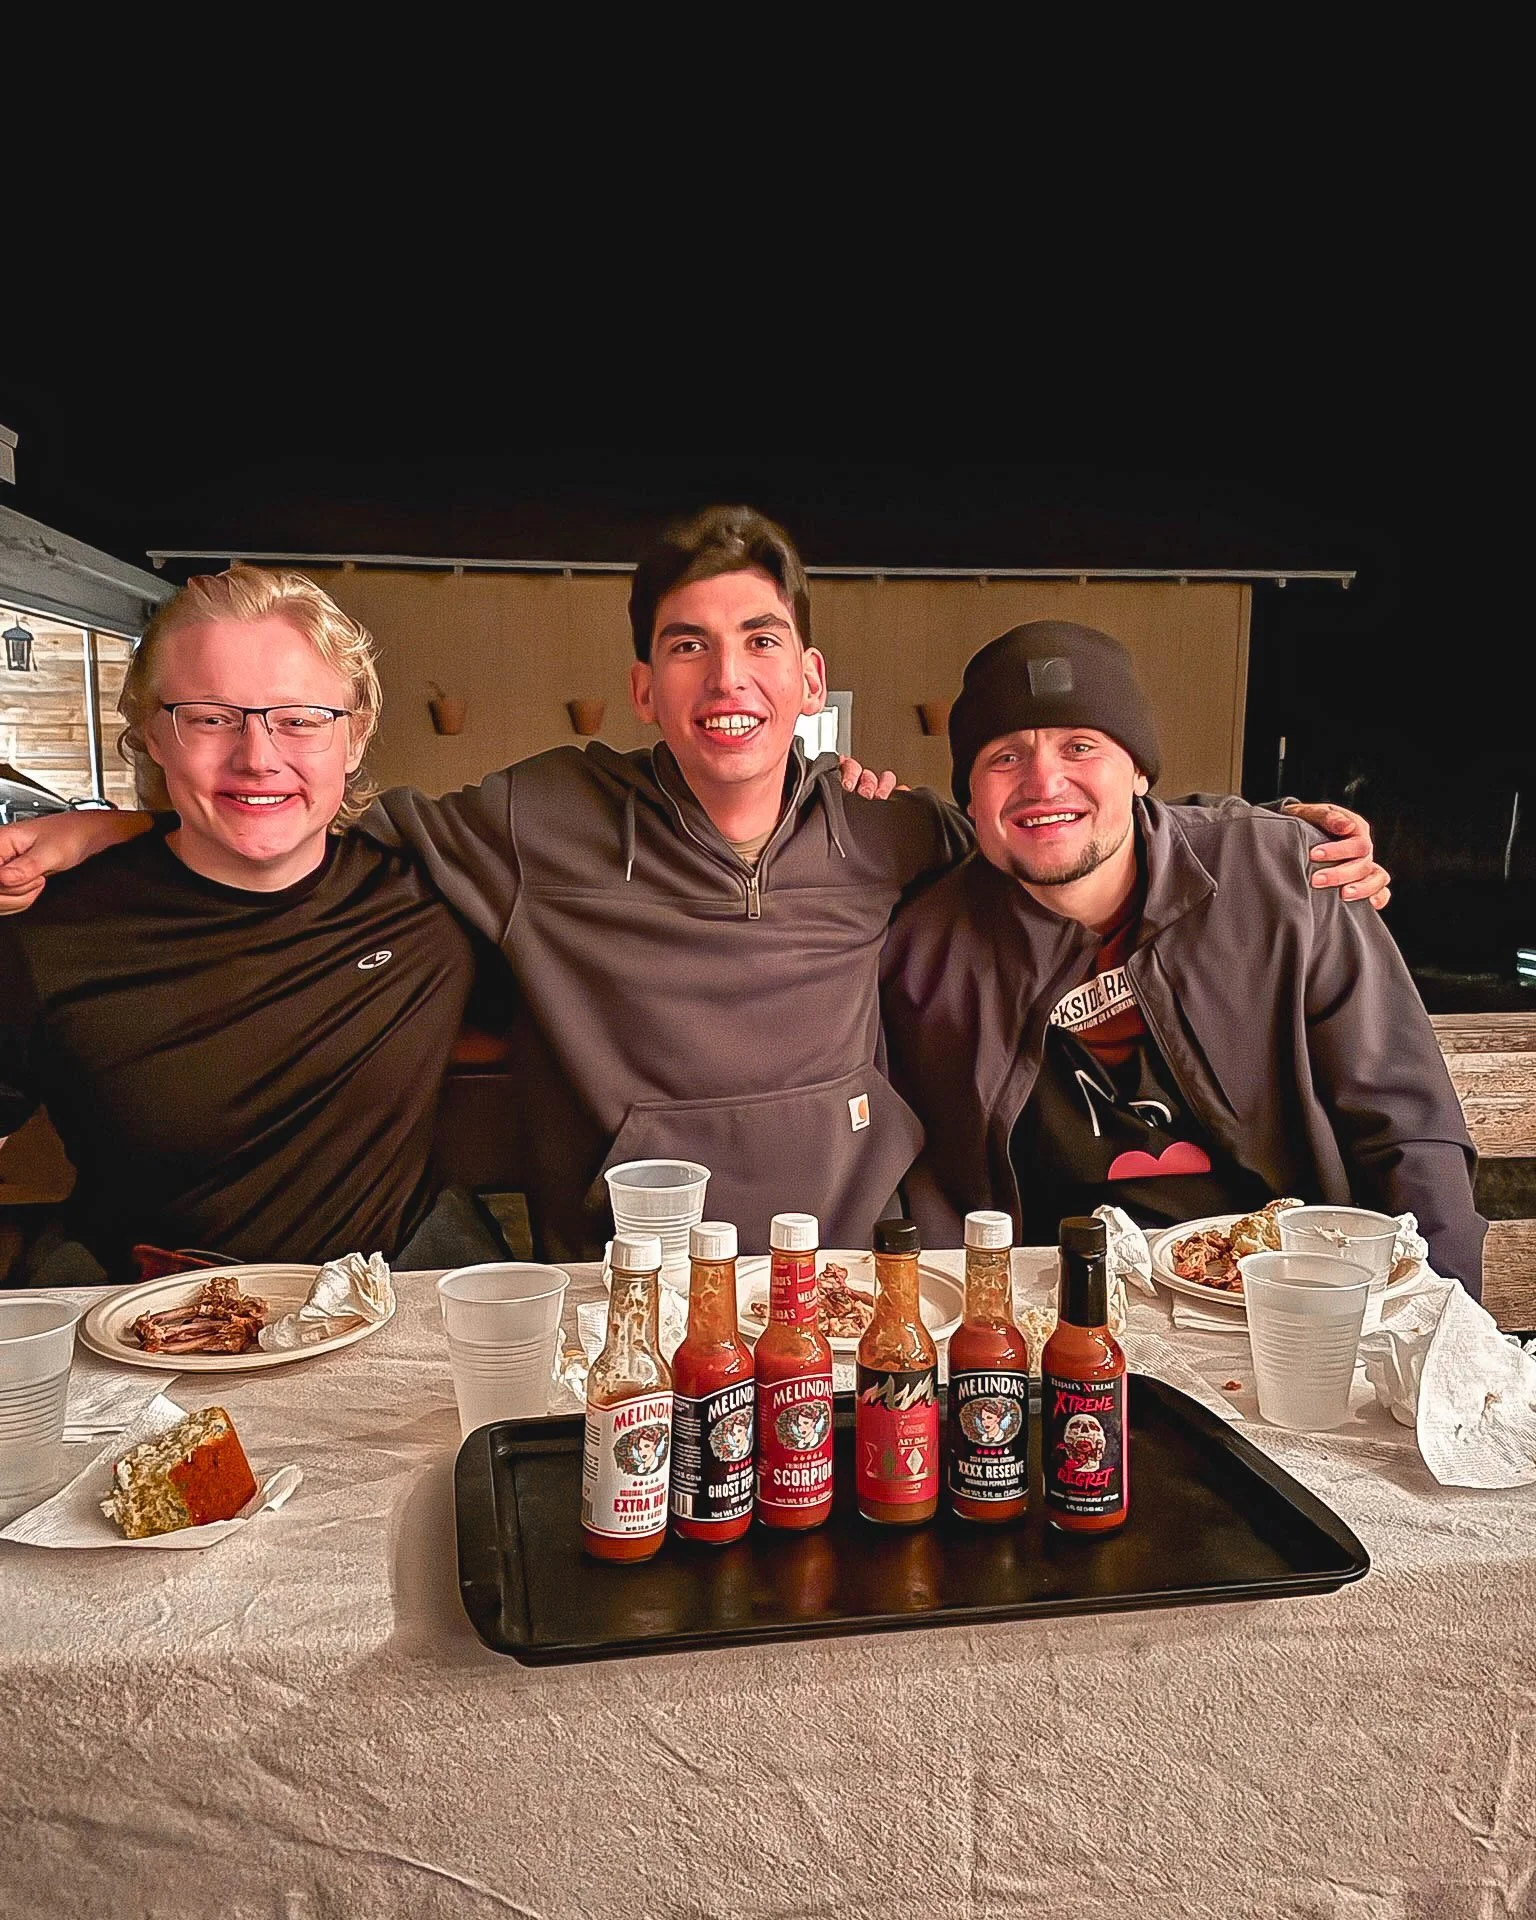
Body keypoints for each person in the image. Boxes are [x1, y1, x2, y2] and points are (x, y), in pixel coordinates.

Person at [0, 511, 1388, 1263]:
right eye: (685, 646)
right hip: (628, 1283)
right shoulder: (530, 819)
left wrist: (1262, 838)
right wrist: (98, 831)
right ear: (644, 688)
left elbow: (1065, 823)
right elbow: (287, 818)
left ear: (804, 683)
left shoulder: (899, 837)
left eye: (759, 643)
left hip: (860, 1278)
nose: (726, 679)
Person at [879, 620, 1485, 1293]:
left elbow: (1407, 1122)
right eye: (1005, 757)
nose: (1044, 781)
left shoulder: (1287, 876)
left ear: (1139, 770)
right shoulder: (923, 950)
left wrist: (1445, 1315)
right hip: (1054, 1312)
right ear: (970, 796)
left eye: (1080, 746)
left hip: (1288, 1297)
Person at [0, 566, 506, 1285]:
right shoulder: (44, 933)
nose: (258, 758)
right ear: (154, 733)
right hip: (142, 1325)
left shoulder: (436, 898)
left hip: (389, 1310)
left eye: (300, 719)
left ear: (354, 738)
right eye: (211, 718)